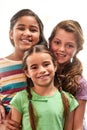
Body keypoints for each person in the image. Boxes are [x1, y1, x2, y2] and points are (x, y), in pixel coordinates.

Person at [10, 44, 78, 130]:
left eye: (46, 64)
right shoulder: (20, 99)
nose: (42, 70)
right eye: (34, 67)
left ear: (55, 66)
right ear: (27, 73)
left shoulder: (69, 100)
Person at [0, 8, 46, 130]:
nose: (27, 33)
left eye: (33, 30)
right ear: (11, 33)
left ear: (39, 35)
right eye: (21, 28)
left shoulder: (45, 66)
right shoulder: (1, 65)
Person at [48, 20, 87, 130]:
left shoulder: (80, 83)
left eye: (69, 45)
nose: (61, 49)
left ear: (77, 49)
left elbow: (77, 127)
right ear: (49, 42)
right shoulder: (42, 75)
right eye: (57, 42)